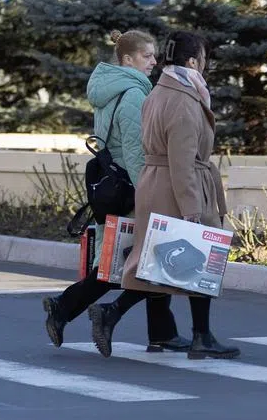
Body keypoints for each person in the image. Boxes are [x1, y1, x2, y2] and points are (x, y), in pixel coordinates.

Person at [88, 31, 239, 360]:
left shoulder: (157, 92)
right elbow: (183, 161)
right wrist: (192, 210)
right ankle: (197, 336)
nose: (205, 66)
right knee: (197, 259)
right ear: (192, 62)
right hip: (179, 186)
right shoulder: (185, 100)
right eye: (203, 60)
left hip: (156, 183)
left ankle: (195, 334)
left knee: (160, 265)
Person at [42, 31, 188, 352]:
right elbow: (136, 153)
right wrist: (150, 195)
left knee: (140, 260)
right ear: (127, 59)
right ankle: (67, 307)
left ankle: (160, 331)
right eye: (147, 56)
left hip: (112, 185)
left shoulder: (109, 89)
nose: (154, 62)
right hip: (132, 186)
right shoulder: (134, 94)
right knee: (143, 261)